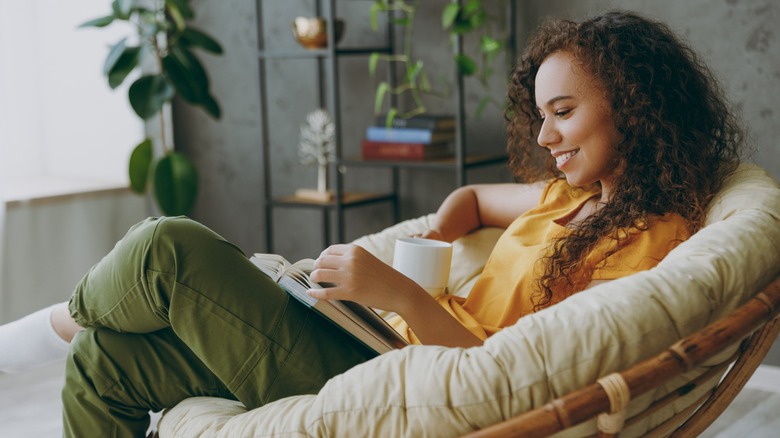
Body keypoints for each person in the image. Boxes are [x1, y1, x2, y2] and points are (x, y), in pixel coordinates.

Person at [0, 10, 743, 437]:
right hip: (377, 341)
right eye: (540, 115)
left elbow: (510, 377)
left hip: (402, 379)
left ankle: (44, 327)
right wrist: (445, 237)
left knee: (170, 247)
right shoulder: (569, 196)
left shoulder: (647, 240)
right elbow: (479, 201)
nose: (546, 139)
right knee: (108, 361)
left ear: (636, 107)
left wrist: (400, 290)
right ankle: (73, 329)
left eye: (564, 113)